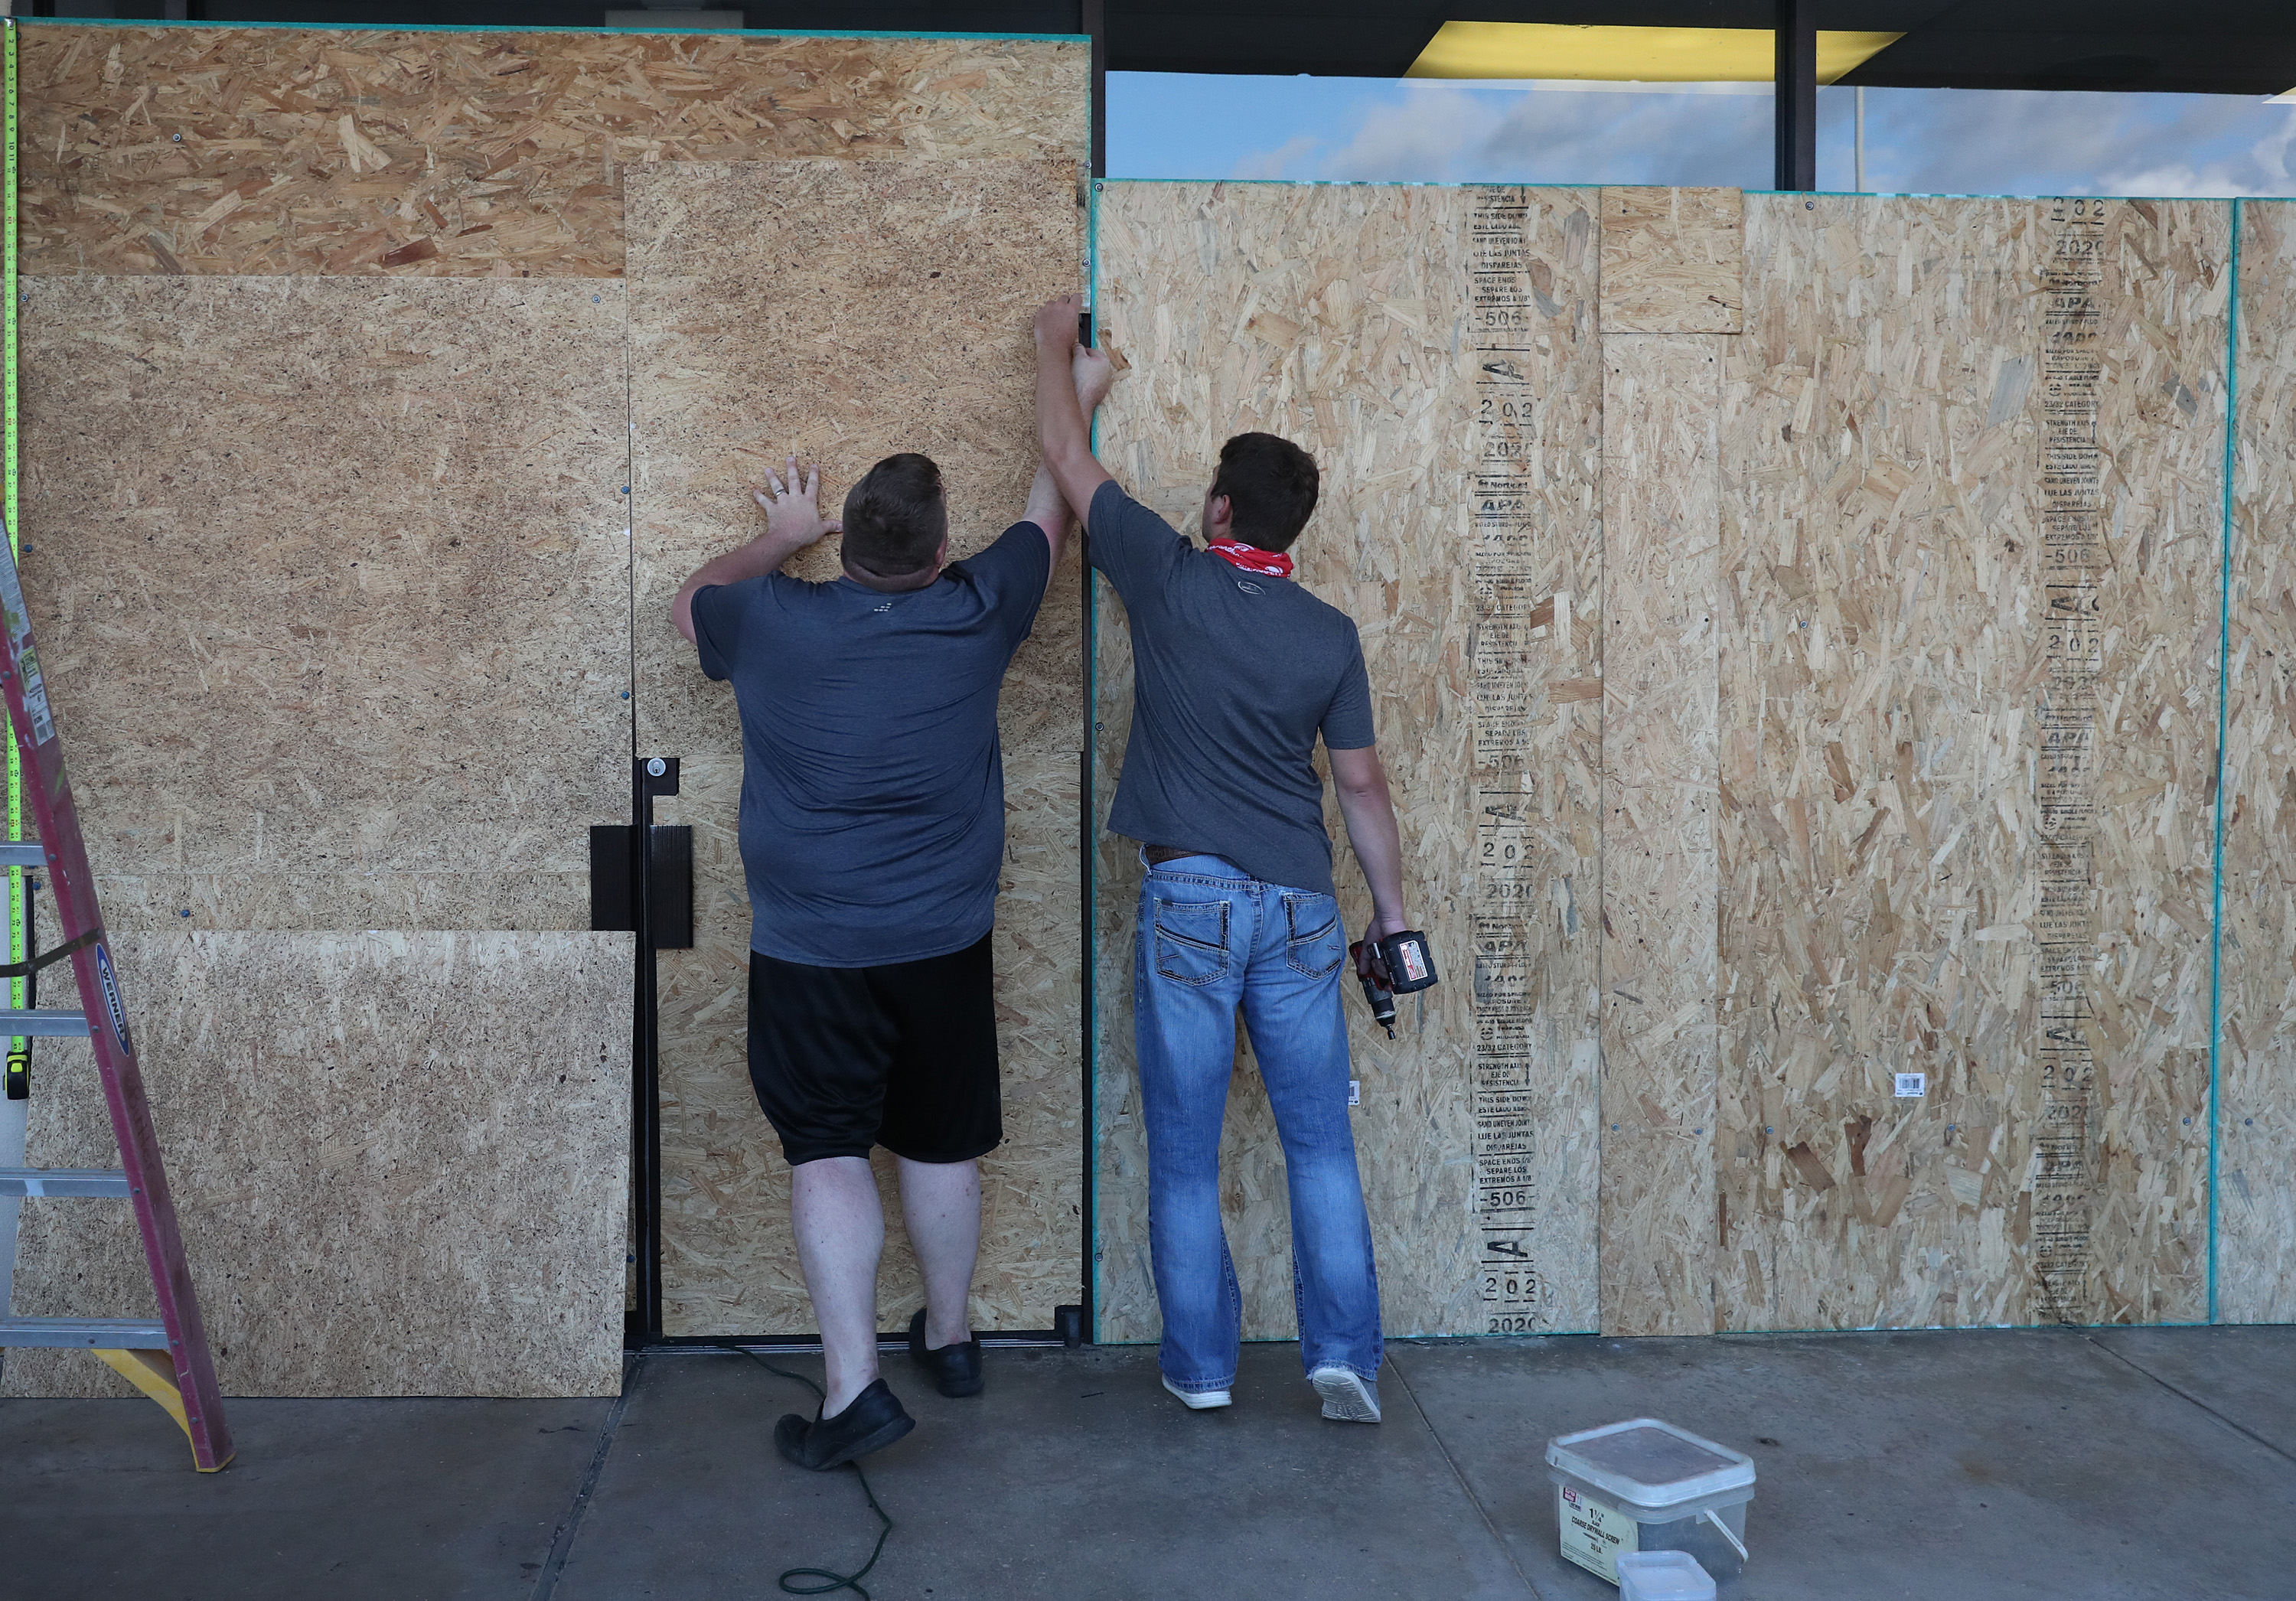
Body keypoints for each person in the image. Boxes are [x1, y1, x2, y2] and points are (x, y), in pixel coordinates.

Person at [670, 378, 1110, 1469]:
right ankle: (952, 1341)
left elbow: (691, 602)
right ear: (943, 545)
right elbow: (1048, 518)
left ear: (848, 533)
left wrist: (776, 538)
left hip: (809, 949)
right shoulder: (981, 608)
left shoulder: (771, 616)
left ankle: (854, 1387)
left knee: (826, 1151)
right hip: (943, 943)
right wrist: (1075, 394)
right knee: (939, 1141)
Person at [1032, 293, 1410, 1423]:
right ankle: (1343, 1357)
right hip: (1300, 905)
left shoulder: (1172, 574)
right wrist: (1390, 917)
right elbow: (1360, 786)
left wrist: (1057, 350)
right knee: (1320, 1149)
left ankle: (1200, 1371)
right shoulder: (1331, 634)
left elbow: (1059, 453)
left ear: (1222, 506)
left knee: (1187, 1155)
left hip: (1190, 895)